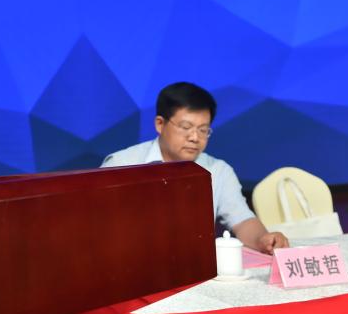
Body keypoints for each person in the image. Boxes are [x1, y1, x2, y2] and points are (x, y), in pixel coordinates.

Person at [101, 82, 289, 254]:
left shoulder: (218, 170)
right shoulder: (121, 165)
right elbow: (99, 227)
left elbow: (242, 220)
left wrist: (263, 239)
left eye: (203, 130)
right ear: (160, 124)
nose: (194, 138)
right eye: (185, 127)